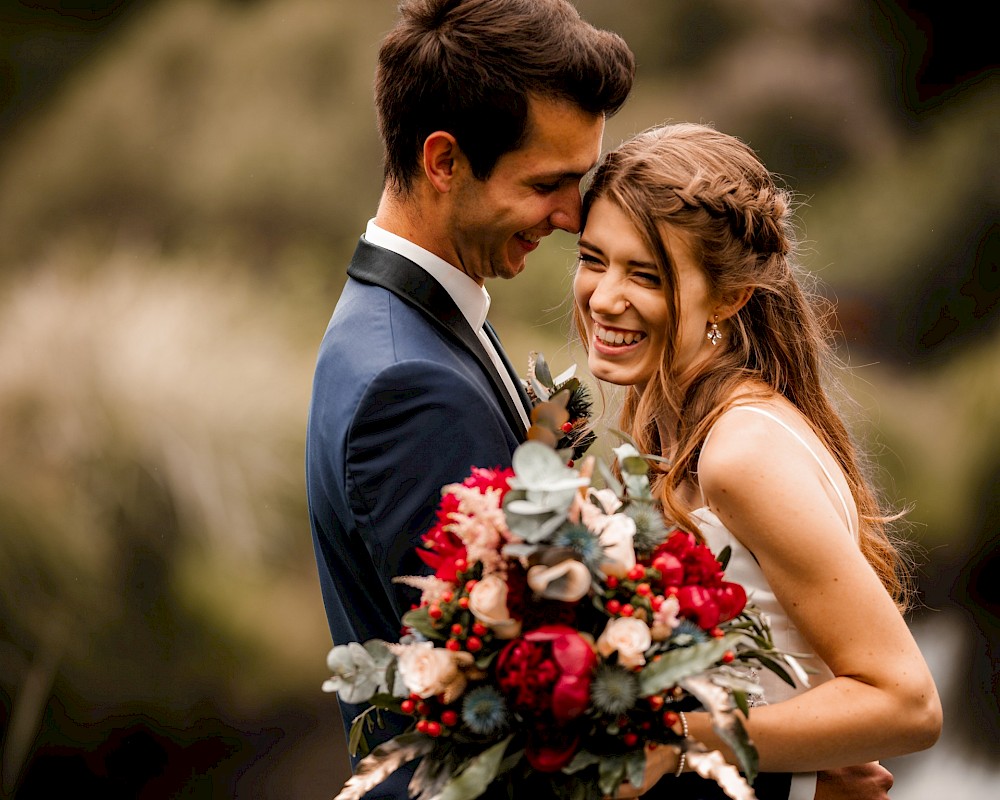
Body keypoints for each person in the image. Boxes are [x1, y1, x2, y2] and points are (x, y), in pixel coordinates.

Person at [305, 1, 634, 796]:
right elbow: (518, 719)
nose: (569, 217)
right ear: (444, 161)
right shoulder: (409, 389)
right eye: (548, 184)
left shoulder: (408, 323)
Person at [571, 122, 943, 799]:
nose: (603, 295)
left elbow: (906, 701)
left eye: (645, 274)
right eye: (593, 258)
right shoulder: (700, 424)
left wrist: (681, 740)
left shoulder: (741, 453)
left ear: (730, 295)